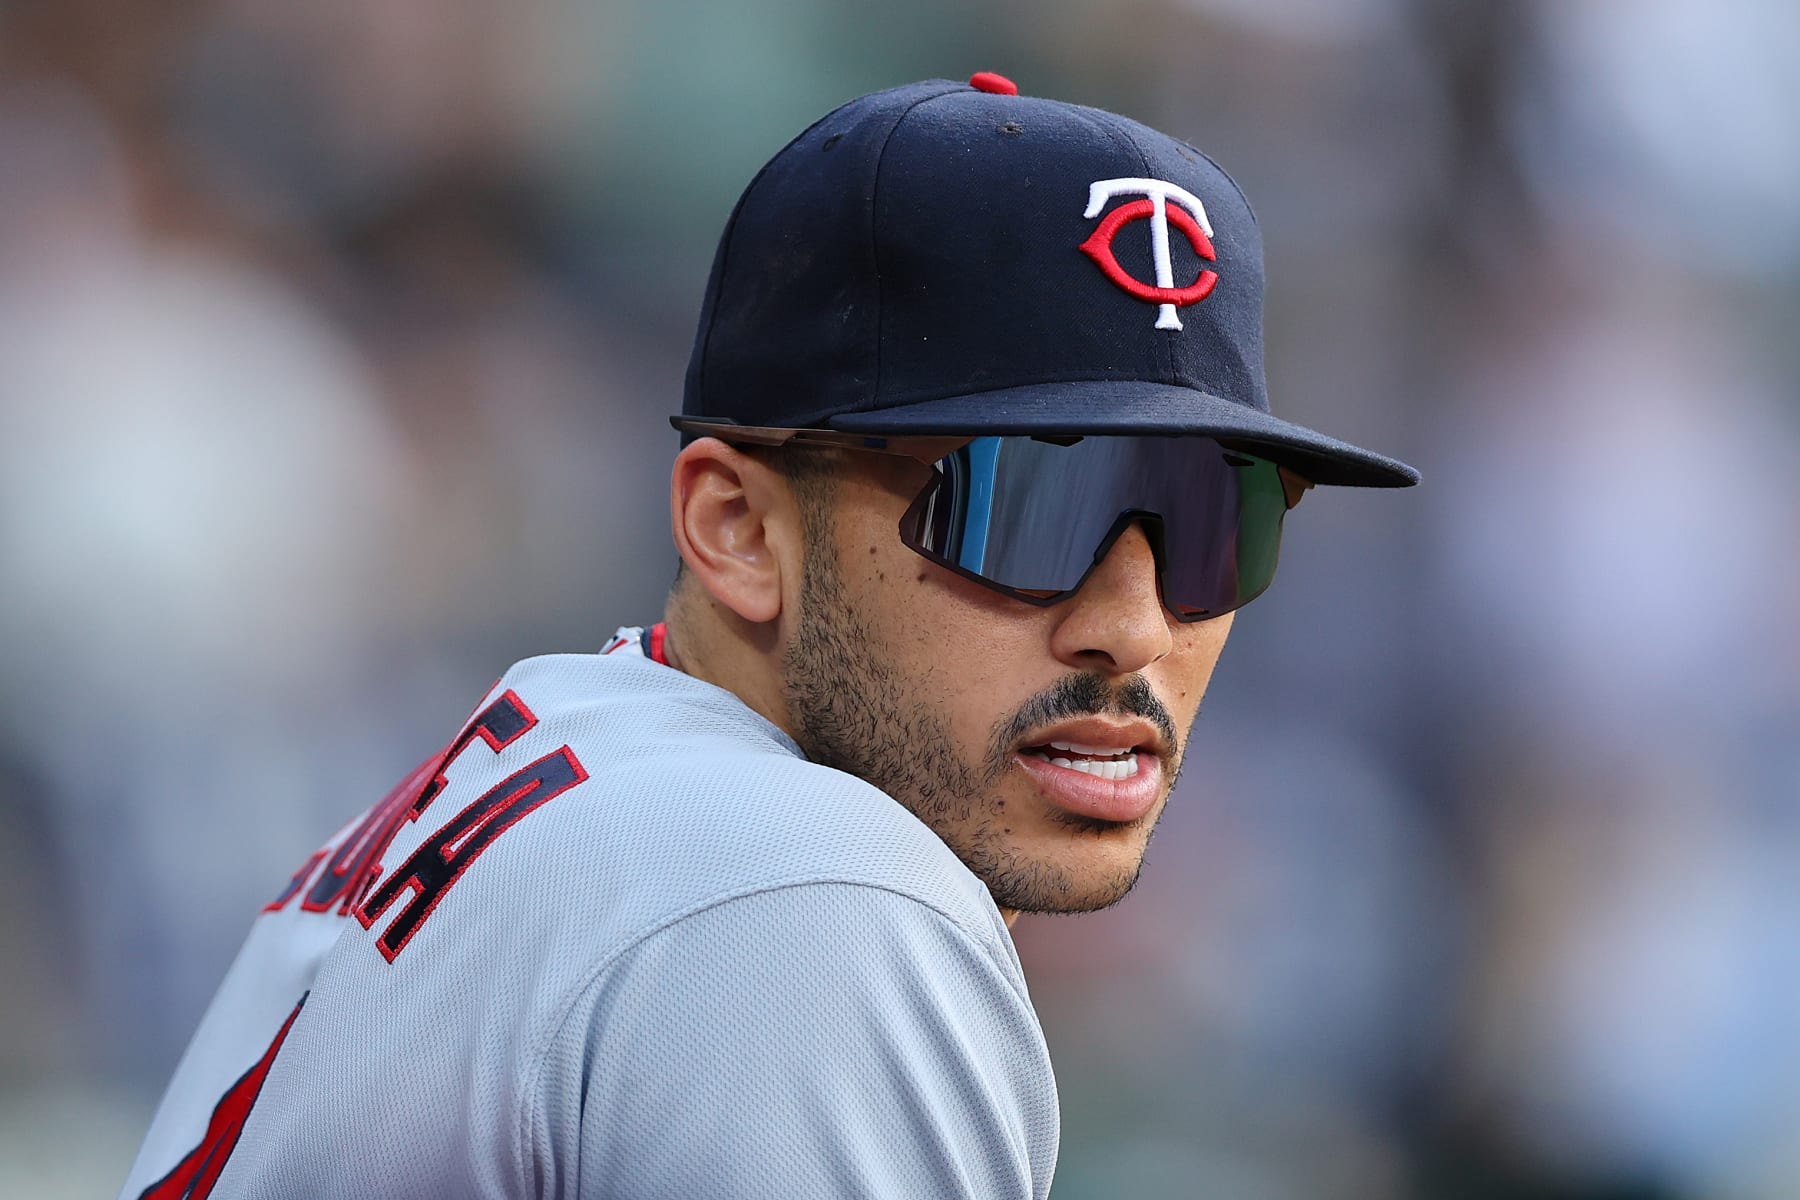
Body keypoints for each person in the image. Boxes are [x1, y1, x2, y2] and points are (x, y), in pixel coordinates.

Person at [119, 72, 1417, 1200]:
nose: (1134, 627)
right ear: (737, 527)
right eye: (1032, 504)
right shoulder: (805, 881)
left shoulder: (547, 770)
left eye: (1213, 525)